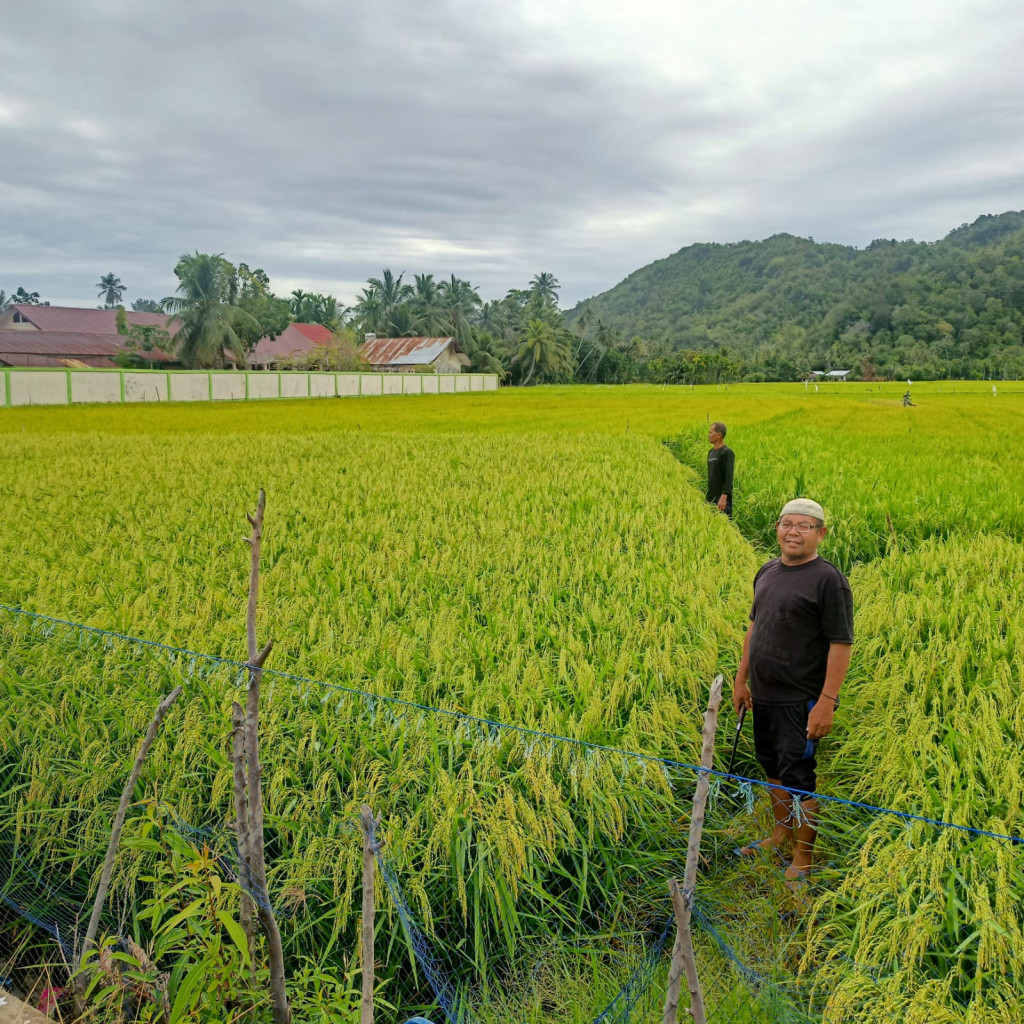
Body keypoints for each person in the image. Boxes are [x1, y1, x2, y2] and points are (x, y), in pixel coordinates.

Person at [732, 498, 853, 887]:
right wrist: (741, 680)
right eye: (788, 524)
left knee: (800, 779)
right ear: (778, 528)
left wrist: (825, 704)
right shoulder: (767, 570)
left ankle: (804, 857)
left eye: (804, 526)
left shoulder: (828, 580)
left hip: (800, 700)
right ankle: (781, 835)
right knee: (773, 771)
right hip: (764, 695)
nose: (794, 532)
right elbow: (755, 627)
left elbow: (840, 643)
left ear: (821, 534)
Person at [706, 422, 734, 516]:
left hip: (722, 500)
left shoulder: (727, 453)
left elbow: (729, 477)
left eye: (710, 432)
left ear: (718, 435)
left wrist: (724, 496)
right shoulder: (711, 452)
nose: (708, 435)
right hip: (711, 498)